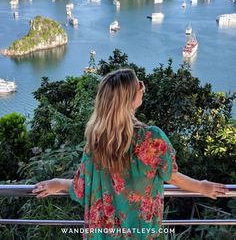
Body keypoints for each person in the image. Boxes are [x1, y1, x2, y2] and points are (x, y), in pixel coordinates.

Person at [33, 68, 227, 239]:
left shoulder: (96, 143)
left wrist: (57, 183)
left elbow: (83, 188)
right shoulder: (152, 138)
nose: (143, 88)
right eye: (139, 86)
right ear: (130, 99)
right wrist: (202, 187)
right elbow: (172, 177)